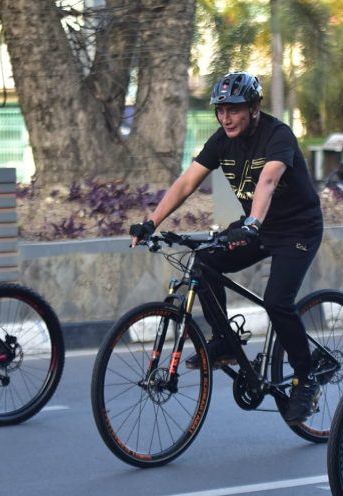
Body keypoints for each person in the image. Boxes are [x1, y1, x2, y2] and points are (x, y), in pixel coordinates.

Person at [129, 71, 325, 426]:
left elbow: (268, 179)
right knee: (205, 259)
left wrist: (251, 224)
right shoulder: (222, 141)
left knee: (277, 301)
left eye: (233, 110)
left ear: (253, 107)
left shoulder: (277, 134)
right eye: (221, 110)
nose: (226, 118)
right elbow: (187, 182)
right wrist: (151, 222)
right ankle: (224, 339)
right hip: (258, 226)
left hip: (298, 229)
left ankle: (307, 377)